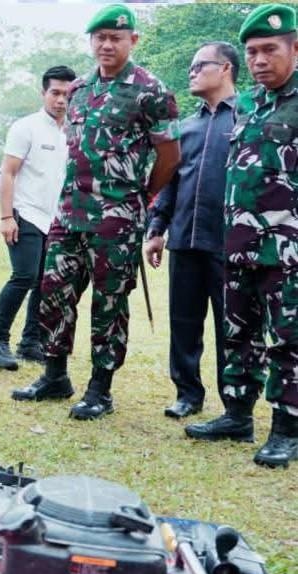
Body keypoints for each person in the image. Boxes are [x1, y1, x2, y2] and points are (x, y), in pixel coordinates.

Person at [12, 4, 180, 419]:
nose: (107, 44)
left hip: (116, 219)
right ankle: (54, 376)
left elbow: (170, 155)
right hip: (69, 213)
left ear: (132, 41)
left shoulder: (151, 90)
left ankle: (100, 389)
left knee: (108, 303)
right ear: (91, 41)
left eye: (116, 38)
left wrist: (139, 196)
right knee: (54, 294)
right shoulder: (79, 90)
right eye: (100, 37)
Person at [185, 5, 298, 469]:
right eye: (251, 52)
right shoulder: (248, 106)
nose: (259, 60)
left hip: (288, 249)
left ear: (294, 48)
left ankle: (287, 429)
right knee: (238, 334)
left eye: (270, 49)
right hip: (238, 244)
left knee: (288, 339)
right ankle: (236, 414)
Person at [143, 42, 238, 419]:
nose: (192, 72)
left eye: (201, 65)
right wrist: (156, 229)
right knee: (183, 322)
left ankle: (235, 402)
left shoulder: (246, 119)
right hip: (184, 239)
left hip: (230, 245)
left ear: (226, 68)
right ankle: (187, 393)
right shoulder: (186, 128)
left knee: (232, 328)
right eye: (191, 67)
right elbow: (170, 183)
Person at [0, 66, 75, 370]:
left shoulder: (75, 129)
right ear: (44, 93)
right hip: (26, 213)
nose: (61, 100)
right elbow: (7, 173)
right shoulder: (26, 127)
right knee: (24, 276)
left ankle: (31, 341)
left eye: (67, 94)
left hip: (57, 219)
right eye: (55, 93)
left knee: (46, 283)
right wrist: (7, 216)